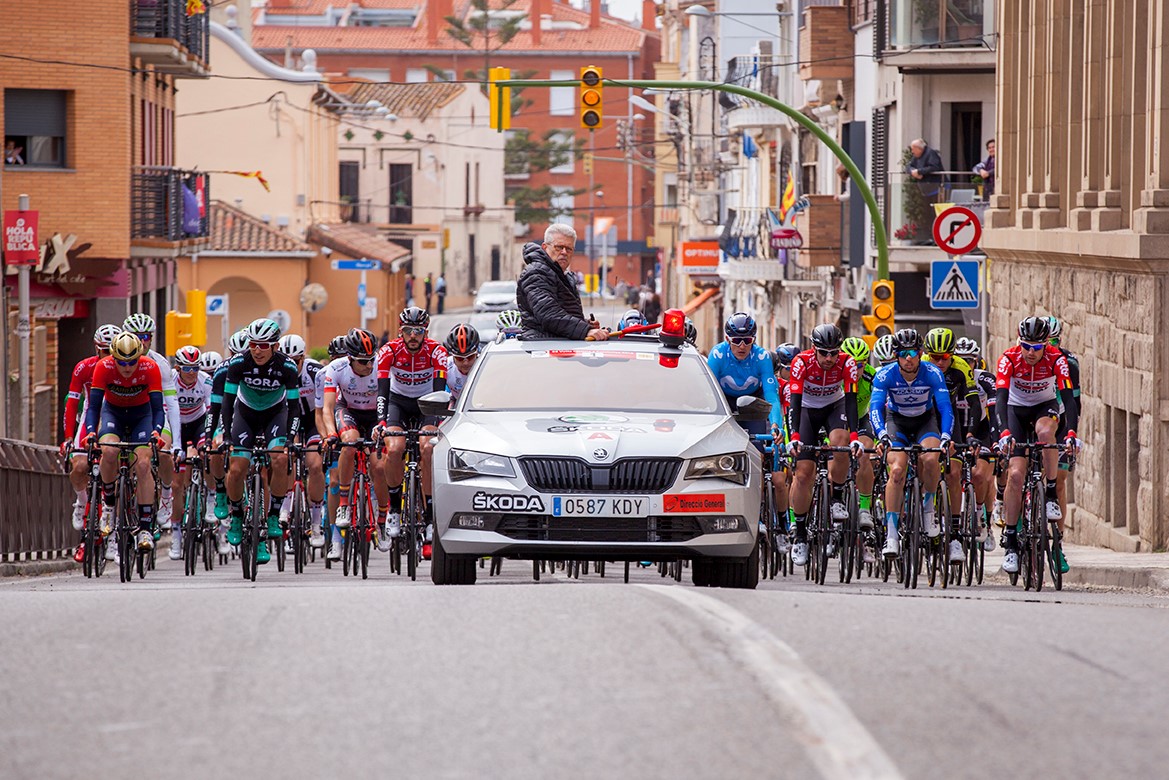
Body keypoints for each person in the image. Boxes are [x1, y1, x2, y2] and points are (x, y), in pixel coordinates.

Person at [994, 316, 1078, 575]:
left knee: (1045, 433)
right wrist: (1004, 432)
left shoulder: (1057, 359)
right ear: (1019, 343)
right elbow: (1000, 399)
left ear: (1046, 345)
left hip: (1045, 406)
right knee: (1016, 475)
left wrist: (1072, 432)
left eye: (1037, 347)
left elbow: (1069, 398)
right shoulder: (1008, 359)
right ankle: (1010, 541)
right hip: (1016, 410)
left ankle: (1050, 493)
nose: (1031, 352)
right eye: (1026, 346)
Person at [220, 318, 301, 565]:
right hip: (245, 414)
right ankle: (235, 515)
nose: (257, 350)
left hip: (275, 414)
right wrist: (225, 436)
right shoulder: (238, 363)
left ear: (275, 347)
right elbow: (226, 402)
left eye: (263, 346)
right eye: (254, 344)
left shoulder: (287, 367)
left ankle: (274, 514)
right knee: (236, 468)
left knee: (279, 459)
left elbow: (295, 407)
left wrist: (289, 438)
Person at [870, 328, 955, 558]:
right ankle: (891, 534)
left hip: (924, 422)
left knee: (931, 457)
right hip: (896, 422)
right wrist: (881, 435)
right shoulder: (885, 375)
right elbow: (875, 407)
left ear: (920, 354)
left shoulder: (932, 373)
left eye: (914, 353)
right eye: (904, 353)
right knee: (897, 470)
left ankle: (929, 509)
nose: (909, 358)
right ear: (897, 355)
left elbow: (945, 408)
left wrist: (946, 436)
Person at [785, 324, 863, 568]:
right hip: (806, 409)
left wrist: (854, 438)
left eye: (833, 353)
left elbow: (850, 401)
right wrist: (795, 436)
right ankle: (799, 533)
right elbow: (795, 402)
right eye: (823, 353)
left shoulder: (847, 363)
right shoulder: (801, 363)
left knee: (840, 445)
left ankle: (837, 497)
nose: (829, 358)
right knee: (804, 473)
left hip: (834, 406)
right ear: (813, 349)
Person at [376, 307, 450, 557]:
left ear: (425, 332)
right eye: (409, 331)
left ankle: (429, 517)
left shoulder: (437, 351)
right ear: (401, 332)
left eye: (418, 331)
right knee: (394, 449)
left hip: (427, 404)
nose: (413, 336)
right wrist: (381, 423)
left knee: (428, 448)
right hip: (398, 403)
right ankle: (395, 510)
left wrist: (438, 424)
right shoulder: (389, 351)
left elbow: (440, 394)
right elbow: (382, 392)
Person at [84, 332, 166, 555]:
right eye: (122, 362)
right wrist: (91, 432)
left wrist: (157, 432)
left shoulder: (149, 368)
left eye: (132, 361)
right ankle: (109, 504)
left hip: (143, 415)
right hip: (114, 414)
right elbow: (93, 407)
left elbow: (159, 409)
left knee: (142, 464)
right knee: (108, 451)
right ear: (113, 358)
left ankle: (146, 527)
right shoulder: (103, 367)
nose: (127, 367)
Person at [322, 328, 390, 557]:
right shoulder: (336, 368)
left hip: (375, 415)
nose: (369, 366)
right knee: (349, 443)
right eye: (363, 362)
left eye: (371, 360)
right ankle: (343, 505)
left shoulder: (381, 365)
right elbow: (328, 408)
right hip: (349, 411)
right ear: (350, 358)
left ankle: (382, 519)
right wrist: (331, 433)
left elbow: (387, 400)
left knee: (379, 467)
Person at [516, 224, 608, 341]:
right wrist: (585, 330)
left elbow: (562, 314)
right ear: (545, 247)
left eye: (569, 249)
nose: (564, 252)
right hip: (541, 347)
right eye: (559, 247)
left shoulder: (565, 276)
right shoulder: (536, 273)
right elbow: (549, 315)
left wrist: (585, 324)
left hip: (561, 346)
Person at [169, 345, 212, 561]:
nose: (192, 373)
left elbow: (212, 410)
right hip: (176, 424)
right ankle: (176, 534)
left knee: (208, 452)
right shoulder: (170, 380)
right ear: (178, 367)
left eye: (195, 368)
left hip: (198, 423)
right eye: (187, 368)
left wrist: (211, 438)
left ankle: (211, 495)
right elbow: (169, 414)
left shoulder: (205, 380)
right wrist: (176, 446)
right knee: (176, 485)